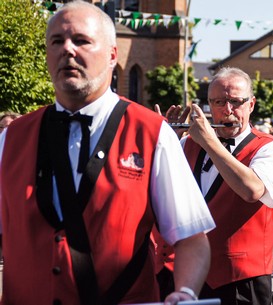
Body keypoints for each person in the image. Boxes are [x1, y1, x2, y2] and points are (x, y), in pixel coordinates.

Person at [0, 1, 215, 304]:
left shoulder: (153, 133)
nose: (68, 50)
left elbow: (191, 237)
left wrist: (186, 291)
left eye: (81, 40)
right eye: (57, 41)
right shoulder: (12, 137)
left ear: (113, 54)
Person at [162, 67, 273, 305]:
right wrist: (163, 140)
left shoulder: (270, 147)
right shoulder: (187, 144)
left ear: (251, 104)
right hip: (189, 273)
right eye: (219, 102)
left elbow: (252, 191)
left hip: (242, 277)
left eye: (235, 102)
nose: (227, 110)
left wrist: (209, 141)